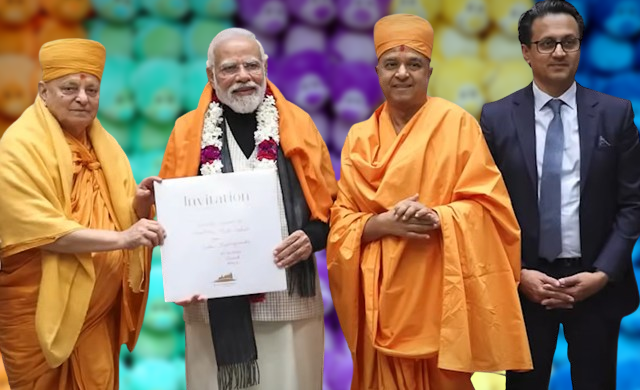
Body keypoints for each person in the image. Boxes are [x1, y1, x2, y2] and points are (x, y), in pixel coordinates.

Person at [326, 13, 533, 390]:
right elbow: (341, 223)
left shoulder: (457, 124)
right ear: (377, 71)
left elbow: (491, 209)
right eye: (391, 64)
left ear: (429, 71)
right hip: (380, 301)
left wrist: (439, 216)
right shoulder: (358, 138)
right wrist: (385, 224)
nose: (402, 73)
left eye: (414, 64)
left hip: (441, 296)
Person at [158, 28, 337, 390]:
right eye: (229, 68)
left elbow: (333, 208)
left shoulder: (298, 124)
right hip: (212, 300)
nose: (243, 76)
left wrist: (312, 237)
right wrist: (182, 271)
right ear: (211, 75)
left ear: (266, 67)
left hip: (288, 296)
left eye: (251, 65)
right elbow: (171, 218)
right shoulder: (186, 132)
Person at [480, 1, 640, 389]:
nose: (559, 52)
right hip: (525, 284)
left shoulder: (615, 113)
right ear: (526, 51)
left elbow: (632, 202)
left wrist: (602, 274)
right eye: (547, 43)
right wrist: (517, 273)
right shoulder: (496, 118)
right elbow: (483, 209)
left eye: (569, 42)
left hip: (595, 283)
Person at [0, 38, 165, 389]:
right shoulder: (17, 149)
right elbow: (43, 231)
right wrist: (123, 238)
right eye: (69, 88)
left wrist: (139, 206)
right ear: (43, 92)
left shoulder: (107, 147)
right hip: (36, 315)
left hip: (97, 317)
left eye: (92, 89)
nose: (83, 98)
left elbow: (115, 216)